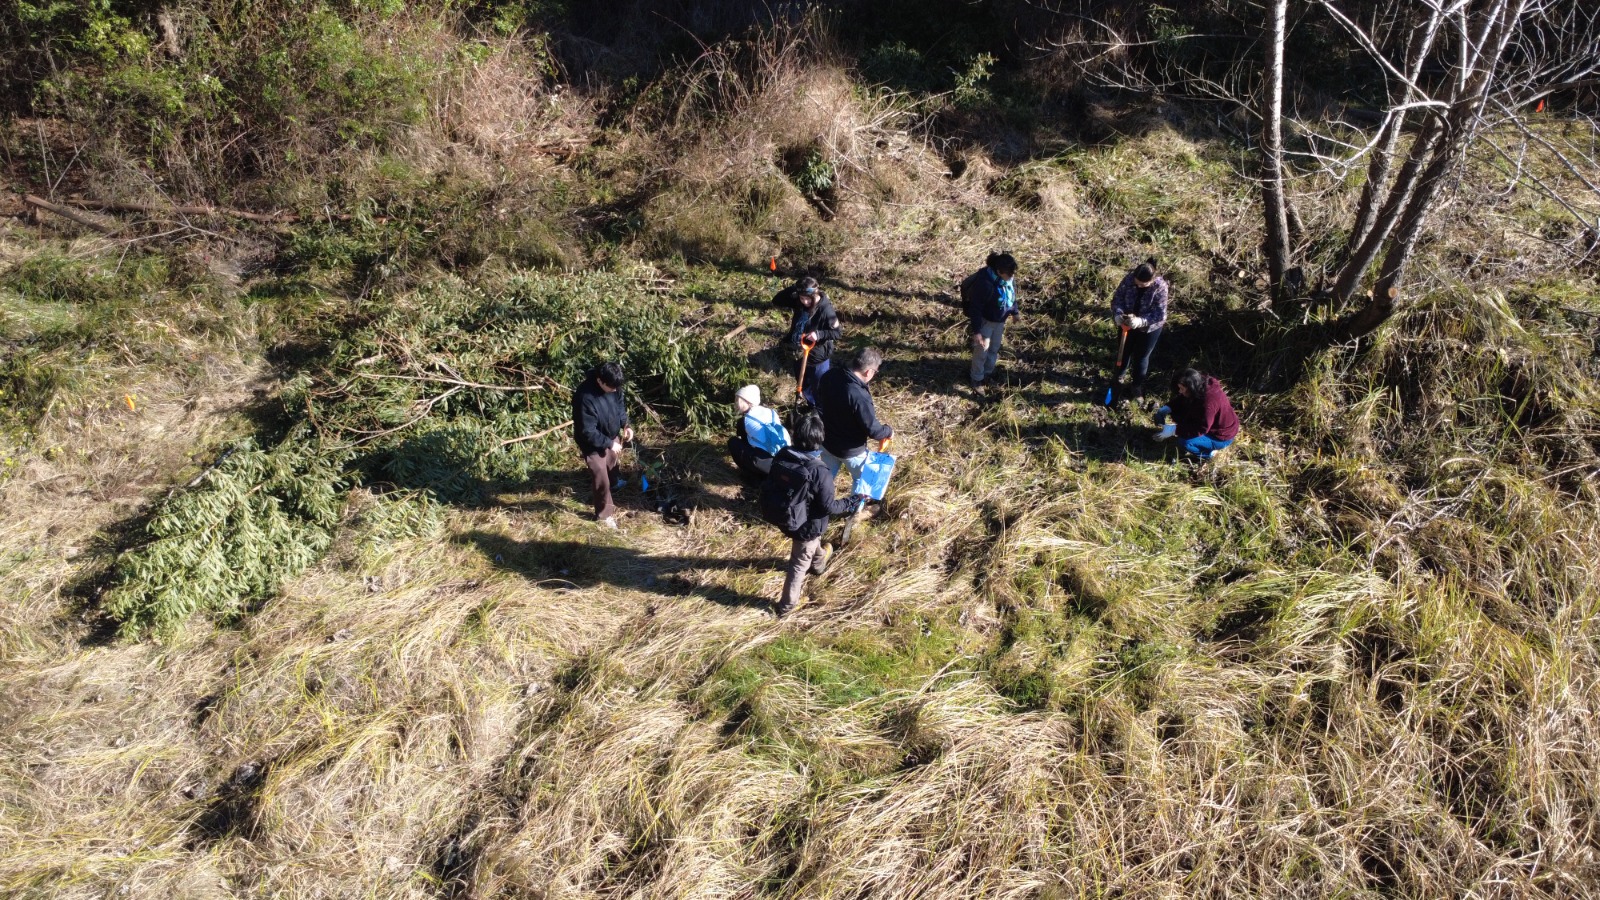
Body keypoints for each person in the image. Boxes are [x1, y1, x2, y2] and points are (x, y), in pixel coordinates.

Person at [759, 412, 867, 617]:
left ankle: (818, 564)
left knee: (810, 547)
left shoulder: (784, 455)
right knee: (798, 565)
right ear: (819, 440)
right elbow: (828, 507)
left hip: (785, 514)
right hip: (807, 526)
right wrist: (851, 502)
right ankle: (786, 607)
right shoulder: (819, 471)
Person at [816, 347, 892, 494]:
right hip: (851, 451)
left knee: (823, 479)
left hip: (827, 442)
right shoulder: (859, 396)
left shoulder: (830, 375)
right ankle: (854, 513)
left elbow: (819, 401)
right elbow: (873, 430)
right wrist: (888, 431)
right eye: (875, 372)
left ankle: (813, 506)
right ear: (868, 371)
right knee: (862, 480)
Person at [571, 361, 633, 528]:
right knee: (600, 477)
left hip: (610, 435)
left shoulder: (614, 385)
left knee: (612, 460)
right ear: (600, 381)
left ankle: (615, 482)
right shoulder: (584, 397)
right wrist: (608, 443)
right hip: (591, 442)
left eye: (616, 387)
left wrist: (626, 425)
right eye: (611, 387)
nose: (614, 390)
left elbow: (620, 407)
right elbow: (587, 431)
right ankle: (604, 515)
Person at [771, 276, 841, 408]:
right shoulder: (799, 301)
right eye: (802, 298)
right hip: (798, 352)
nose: (804, 302)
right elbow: (777, 300)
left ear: (815, 294)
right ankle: (811, 405)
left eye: (807, 298)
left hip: (817, 357)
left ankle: (821, 413)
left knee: (820, 388)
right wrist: (795, 288)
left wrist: (818, 334)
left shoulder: (825, 310)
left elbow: (837, 333)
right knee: (803, 385)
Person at [1110, 256, 1169, 401]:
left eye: (1143, 285)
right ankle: (1119, 378)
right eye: (1137, 283)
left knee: (1141, 357)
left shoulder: (1160, 287)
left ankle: (1136, 386)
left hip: (1149, 328)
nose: (1139, 286)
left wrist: (1142, 321)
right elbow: (1117, 299)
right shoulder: (1129, 279)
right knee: (1123, 352)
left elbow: (1160, 313)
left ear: (1152, 279)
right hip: (1126, 323)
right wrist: (1118, 314)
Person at [1154, 368, 1240, 460]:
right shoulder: (1199, 383)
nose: (1180, 391)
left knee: (1185, 442)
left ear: (1191, 387)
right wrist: (1167, 408)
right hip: (1210, 424)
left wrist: (1174, 430)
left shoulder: (1208, 403)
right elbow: (1182, 398)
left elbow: (1202, 428)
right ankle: (1199, 441)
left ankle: (1208, 454)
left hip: (1220, 436)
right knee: (1178, 413)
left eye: (1182, 389)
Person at [962, 251, 1020, 386]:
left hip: (1000, 321)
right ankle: (976, 378)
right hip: (986, 322)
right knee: (982, 351)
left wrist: (1014, 312)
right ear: (999, 271)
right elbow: (975, 309)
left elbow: (1011, 297)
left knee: (994, 348)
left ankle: (987, 373)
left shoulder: (1008, 280)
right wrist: (977, 332)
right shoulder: (985, 284)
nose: (1012, 276)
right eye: (1009, 274)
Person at [728, 384, 789, 480]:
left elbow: (745, 441)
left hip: (765, 464)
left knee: (733, 442)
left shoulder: (745, 420)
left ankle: (751, 475)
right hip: (782, 460)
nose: (736, 403)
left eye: (738, 401)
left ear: (748, 402)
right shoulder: (771, 412)